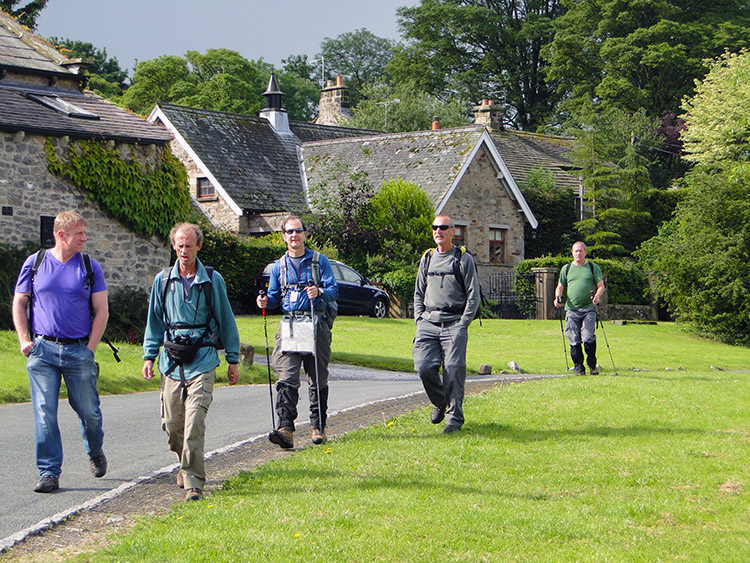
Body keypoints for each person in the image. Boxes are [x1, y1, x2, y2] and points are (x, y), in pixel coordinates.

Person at [12, 210, 109, 493]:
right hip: (42, 351)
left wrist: (90, 349)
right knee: (44, 413)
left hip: (78, 350)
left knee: (89, 412)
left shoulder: (90, 267)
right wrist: (23, 340)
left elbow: (102, 311)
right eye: (80, 233)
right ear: (61, 235)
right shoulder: (35, 263)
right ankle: (49, 472)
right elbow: (20, 302)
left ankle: (94, 451)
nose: (85, 238)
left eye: (85, 233)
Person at [142, 222, 240, 502]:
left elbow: (226, 320)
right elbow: (154, 322)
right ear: (174, 246)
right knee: (173, 425)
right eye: (180, 245)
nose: (184, 251)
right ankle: (184, 464)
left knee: (194, 421)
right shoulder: (162, 281)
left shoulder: (212, 279)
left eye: (189, 245)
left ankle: (194, 482)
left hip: (204, 358)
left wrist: (232, 359)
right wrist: (149, 356)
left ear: (199, 246)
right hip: (171, 362)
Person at [256, 216, 338, 449]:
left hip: (317, 324)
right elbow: (273, 298)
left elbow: (334, 290)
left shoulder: (320, 261)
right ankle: (285, 429)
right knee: (286, 377)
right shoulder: (278, 267)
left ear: (304, 234)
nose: (294, 235)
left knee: (317, 378)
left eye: (298, 231)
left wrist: (319, 291)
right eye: (289, 232)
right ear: (283, 236)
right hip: (290, 326)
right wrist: (264, 301)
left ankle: (317, 427)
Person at [413, 215, 480, 434]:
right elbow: (418, 292)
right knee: (423, 367)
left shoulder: (462, 259)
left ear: (453, 231)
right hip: (428, 323)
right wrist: (419, 318)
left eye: (443, 227)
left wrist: (463, 323)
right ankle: (440, 401)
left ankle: (454, 420)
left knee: (453, 370)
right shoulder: (427, 258)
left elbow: (473, 294)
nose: (438, 231)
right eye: (435, 227)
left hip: (454, 323)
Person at [554, 241, 605, 375]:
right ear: (572, 253)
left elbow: (601, 286)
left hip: (589, 308)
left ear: (585, 253)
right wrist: (557, 297)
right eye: (575, 251)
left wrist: (597, 296)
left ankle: (592, 365)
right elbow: (560, 286)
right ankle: (578, 367)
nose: (578, 253)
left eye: (580, 251)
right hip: (571, 309)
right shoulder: (567, 269)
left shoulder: (593, 268)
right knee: (573, 339)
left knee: (588, 338)